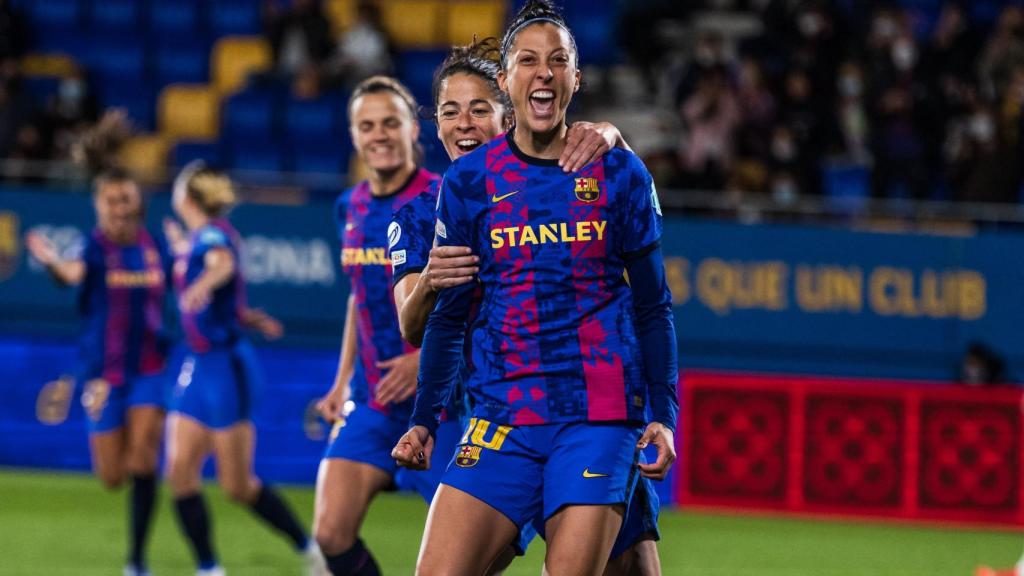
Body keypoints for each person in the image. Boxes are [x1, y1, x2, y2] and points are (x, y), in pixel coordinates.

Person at [392, 2, 678, 574]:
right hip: (502, 414)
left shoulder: (620, 173)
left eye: (558, 60)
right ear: (507, 79)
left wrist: (664, 414)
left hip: (597, 413)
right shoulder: (467, 184)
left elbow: (653, 306)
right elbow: (447, 317)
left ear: (577, 77)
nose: (543, 72)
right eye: (528, 60)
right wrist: (424, 418)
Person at [164, 163, 322, 576]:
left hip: (225, 368)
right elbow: (220, 292)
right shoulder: (196, 238)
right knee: (179, 471)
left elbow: (222, 265)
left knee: (237, 485)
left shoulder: (211, 236)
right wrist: (245, 316)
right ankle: (208, 567)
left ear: (187, 197)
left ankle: (310, 549)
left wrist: (203, 283)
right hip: (198, 364)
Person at [312, 75, 440, 576]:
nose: (379, 134)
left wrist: (422, 358)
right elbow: (359, 298)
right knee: (330, 533)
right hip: (372, 400)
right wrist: (341, 380)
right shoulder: (349, 206)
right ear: (354, 135)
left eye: (391, 122)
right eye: (367, 126)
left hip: (443, 404)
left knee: (466, 556)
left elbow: (480, 297)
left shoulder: (443, 197)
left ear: (414, 129)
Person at [24, 168, 169, 576]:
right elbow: (70, 274)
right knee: (111, 477)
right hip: (103, 376)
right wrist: (52, 263)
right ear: (98, 206)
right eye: (111, 201)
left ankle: (137, 561)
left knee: (144, 458)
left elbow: (185, 285)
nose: (120, 208)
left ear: (138, 203)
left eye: (126, 199)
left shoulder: (154, 247)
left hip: (150, 368)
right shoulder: (90, 246)